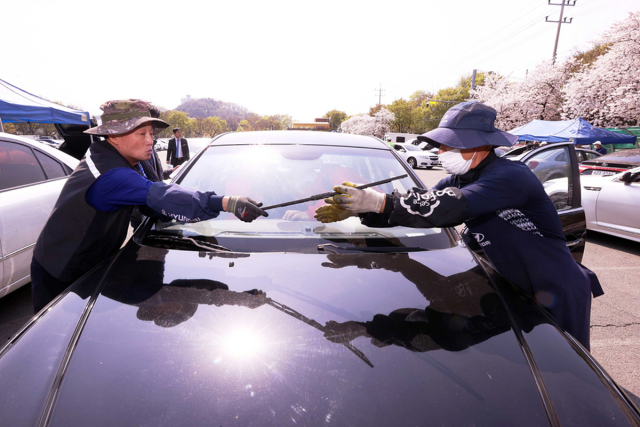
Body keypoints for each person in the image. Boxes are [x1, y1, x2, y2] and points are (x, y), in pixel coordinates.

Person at [316, 101, 603, 351]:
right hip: (506, 288)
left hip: (555, 290)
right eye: (442, 144)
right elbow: (421, 205)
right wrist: (362, 211)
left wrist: (377, 202)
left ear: (482, 144)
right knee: (461, 342)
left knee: (568, 373)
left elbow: (447, 208)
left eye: (451, 144)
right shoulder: (458, 179)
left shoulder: (510, 176)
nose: (442, 151)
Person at [31, 99, 267, 313]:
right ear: (113, 136)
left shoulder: (119, 158)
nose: (150, 140)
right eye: (140, 133)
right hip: (60, 272)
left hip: (93, 264)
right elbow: (159, 194)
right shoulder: (110, 175)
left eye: (151, 134)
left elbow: (153, 201)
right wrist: (225, 202)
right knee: (53, 341)